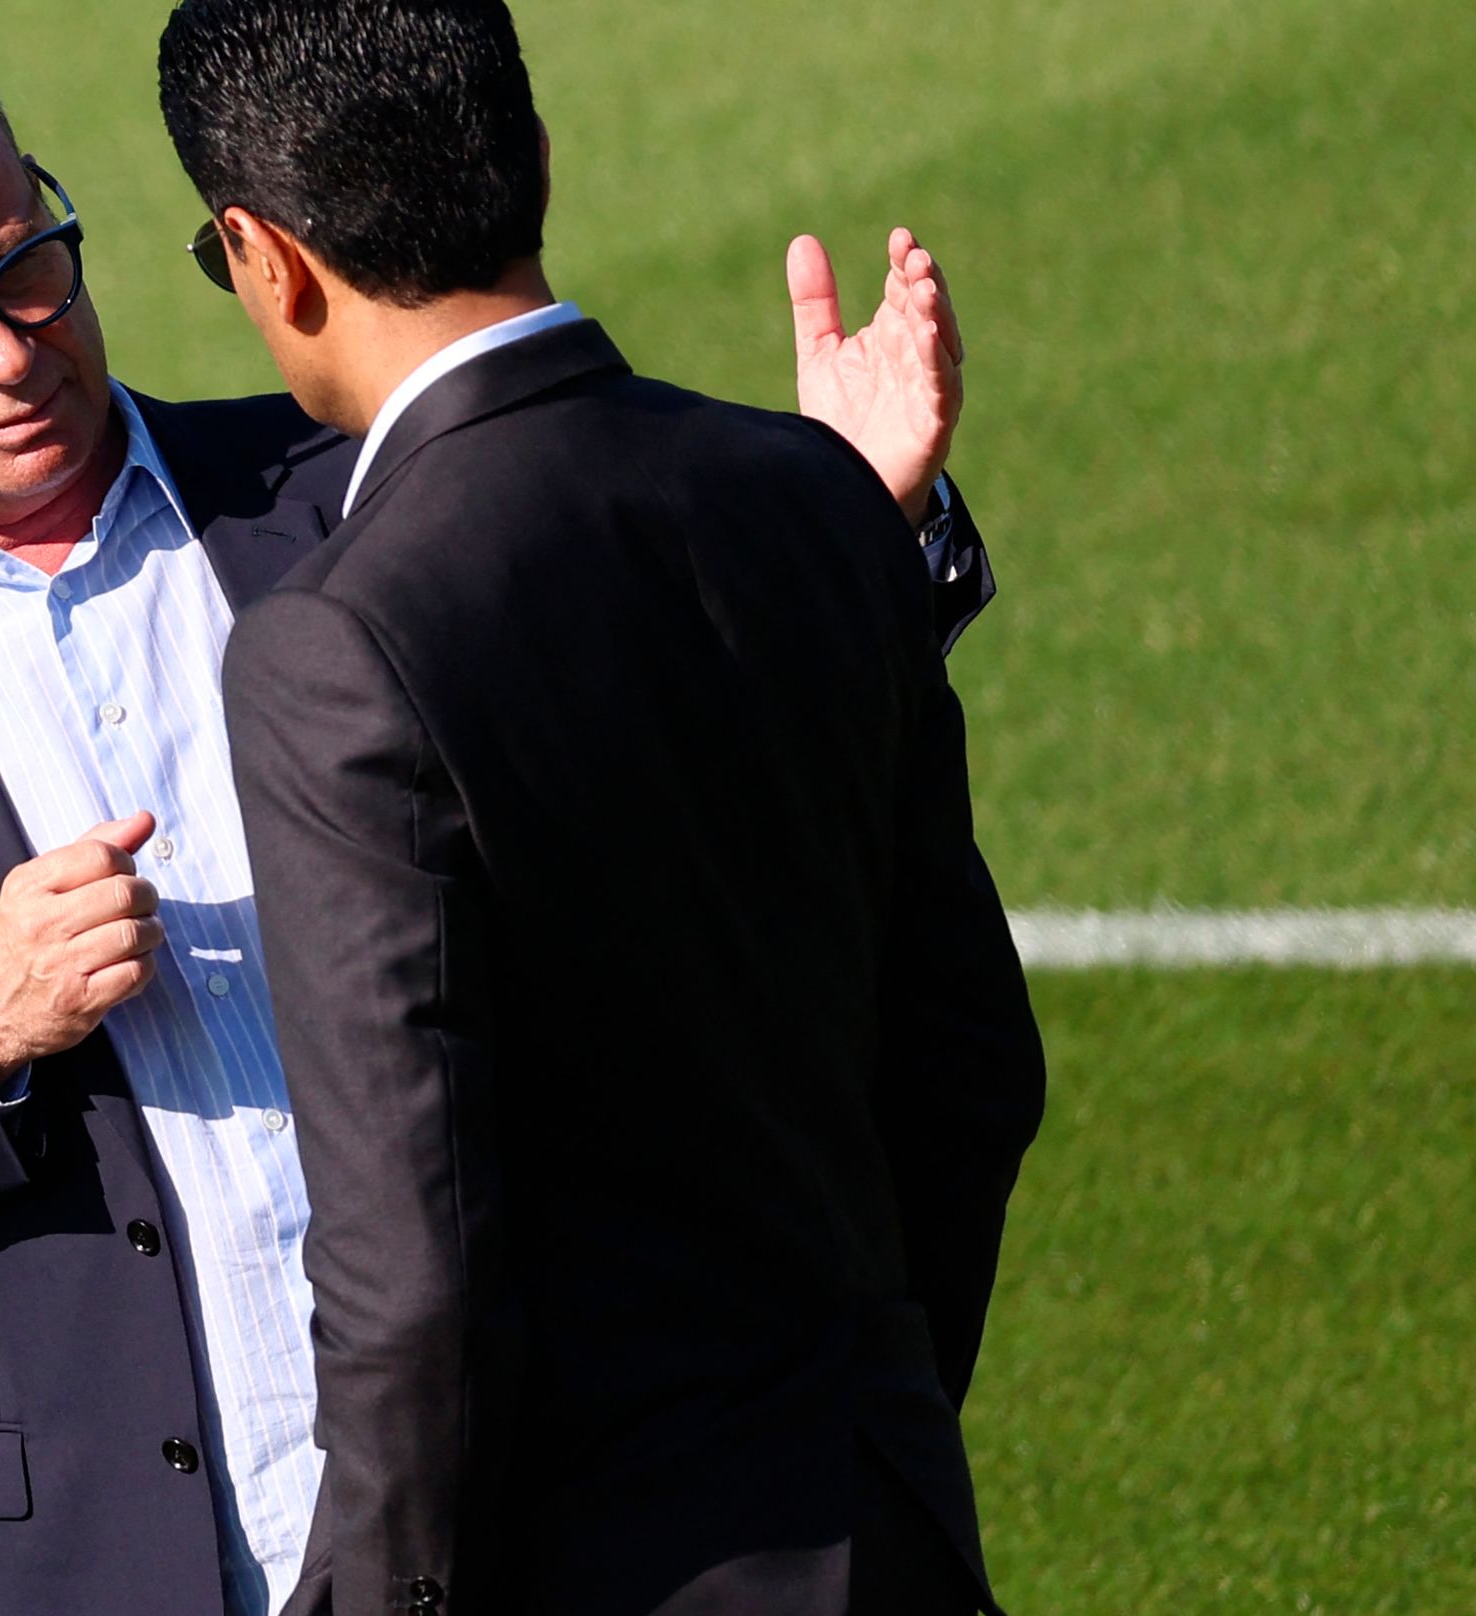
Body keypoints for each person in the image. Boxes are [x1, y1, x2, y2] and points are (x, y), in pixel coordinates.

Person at [0, 31, 997, 1616]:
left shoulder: (365, 484)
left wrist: (854, 527)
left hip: (556, 1505)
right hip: (110, 1561)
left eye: (23, 271)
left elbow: (723, 778)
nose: (1, 351)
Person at [157, 3, 1046, 1614]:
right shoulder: (814, 492)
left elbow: (407, 1265)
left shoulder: (335, 637)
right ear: (535, 160)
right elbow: (971, 1070)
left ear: (259, 255)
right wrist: (866, 1430)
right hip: (884, 1525)